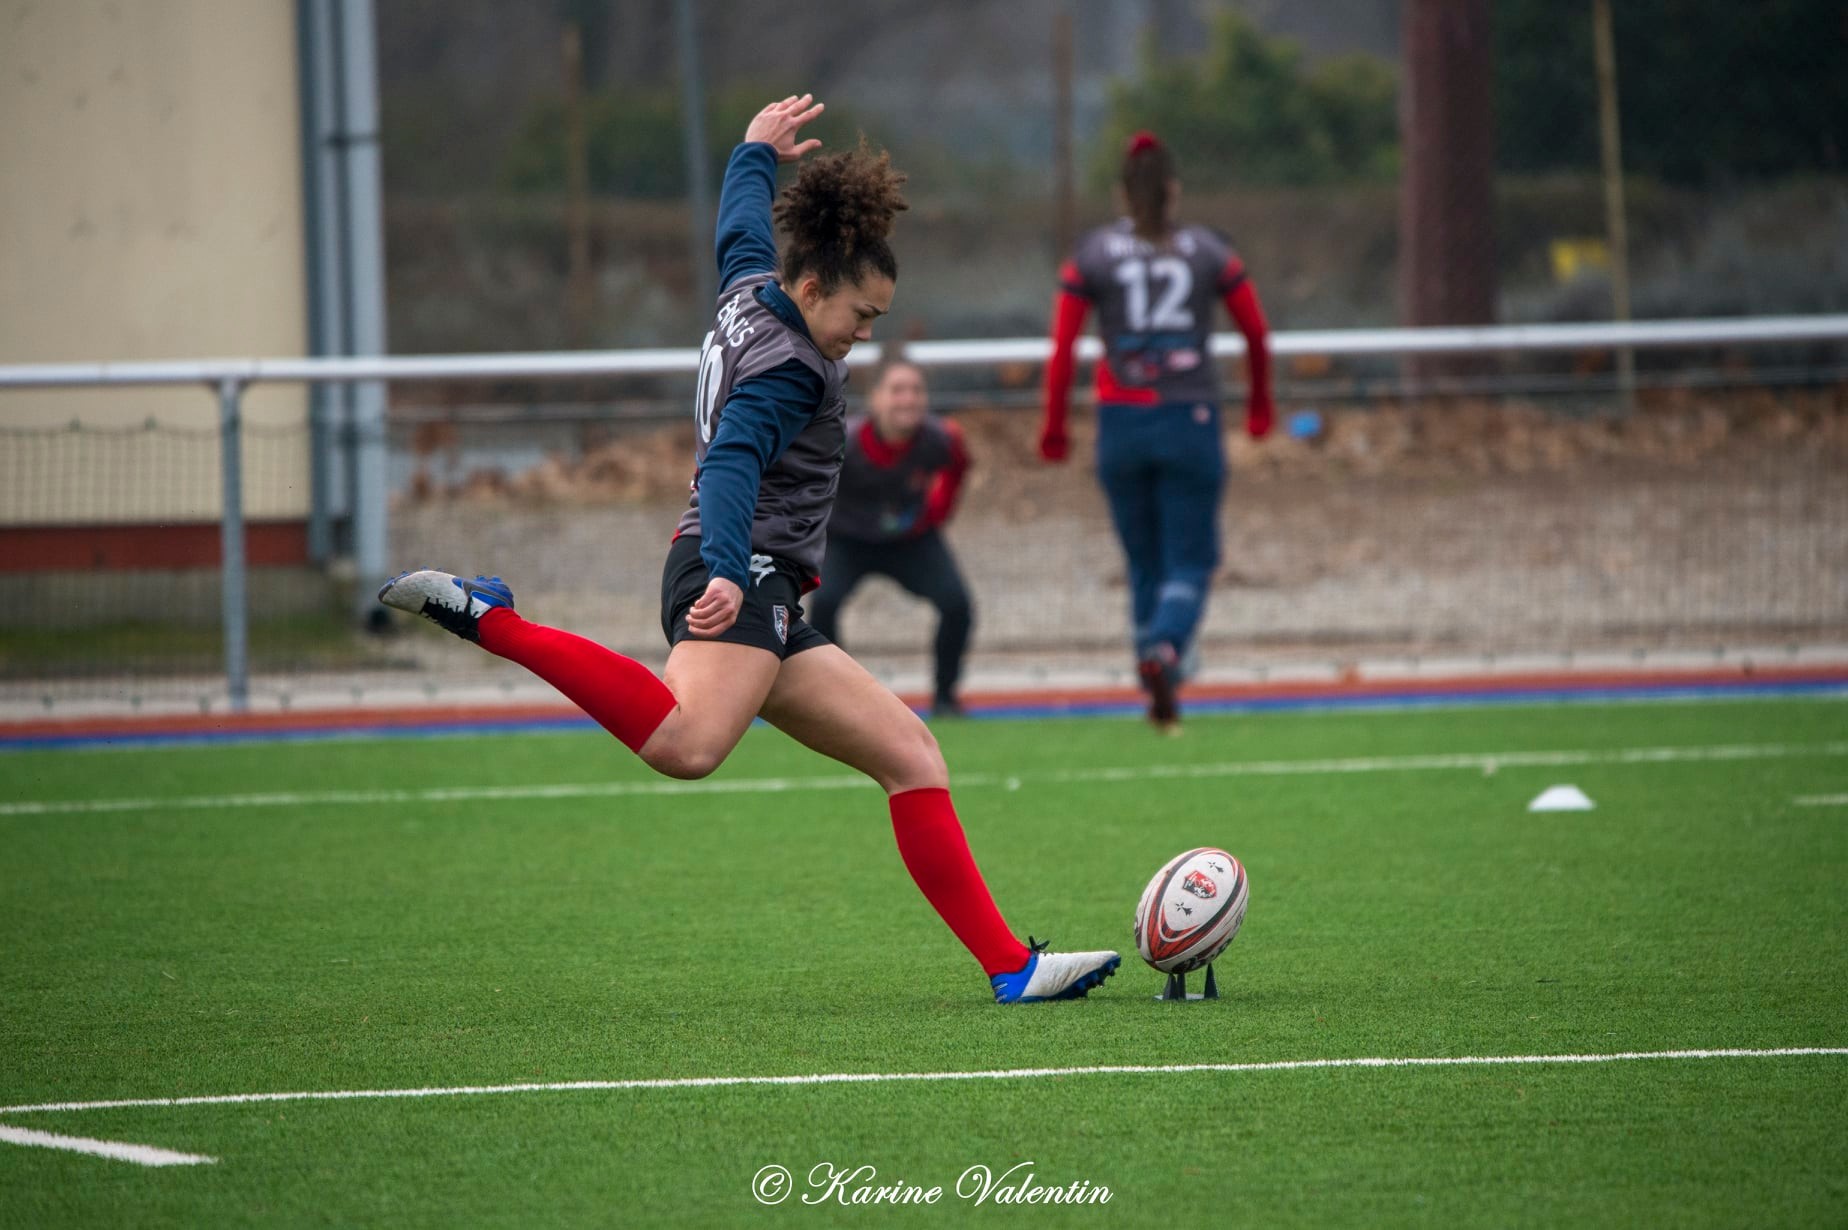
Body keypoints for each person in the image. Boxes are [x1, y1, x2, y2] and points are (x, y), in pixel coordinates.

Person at [379, 95, 1118, 1004]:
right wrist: (730, 568)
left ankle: (1013, 968)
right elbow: (731, 459)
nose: (865, 335)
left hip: (758, 581)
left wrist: (751, 156)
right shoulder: (794, 370)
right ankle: (492, 621)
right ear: (811, 289)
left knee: (912, 755)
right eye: (861, 313)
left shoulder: (749, 290)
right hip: (738, 571)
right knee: (688, 746)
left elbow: (737, 231)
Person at [1038, 130, 1274, 733]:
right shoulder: (1208, 251)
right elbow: (1255, 331)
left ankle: (1154, 685)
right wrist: (1258, 408)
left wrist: (1056, 427)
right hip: (1188, 418)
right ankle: (1167, 650)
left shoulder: (1091, 254)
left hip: (1121, 423)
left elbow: (1062, 348)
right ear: (1173, 189)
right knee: (1191, 562)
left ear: (1122, 191)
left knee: (1144, 562)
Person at [806, 357, 974, 718]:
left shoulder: (940, 438)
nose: (908, 399)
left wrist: (935, 513)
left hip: (911, 540)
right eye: (898, 390)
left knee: (957, 604)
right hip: (847, 540)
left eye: (916, 390)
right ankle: (835, 700)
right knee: (824, 604)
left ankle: (946, 697)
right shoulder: (843, 442)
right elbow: (807, 486)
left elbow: (958, 467)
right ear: (876, 398)